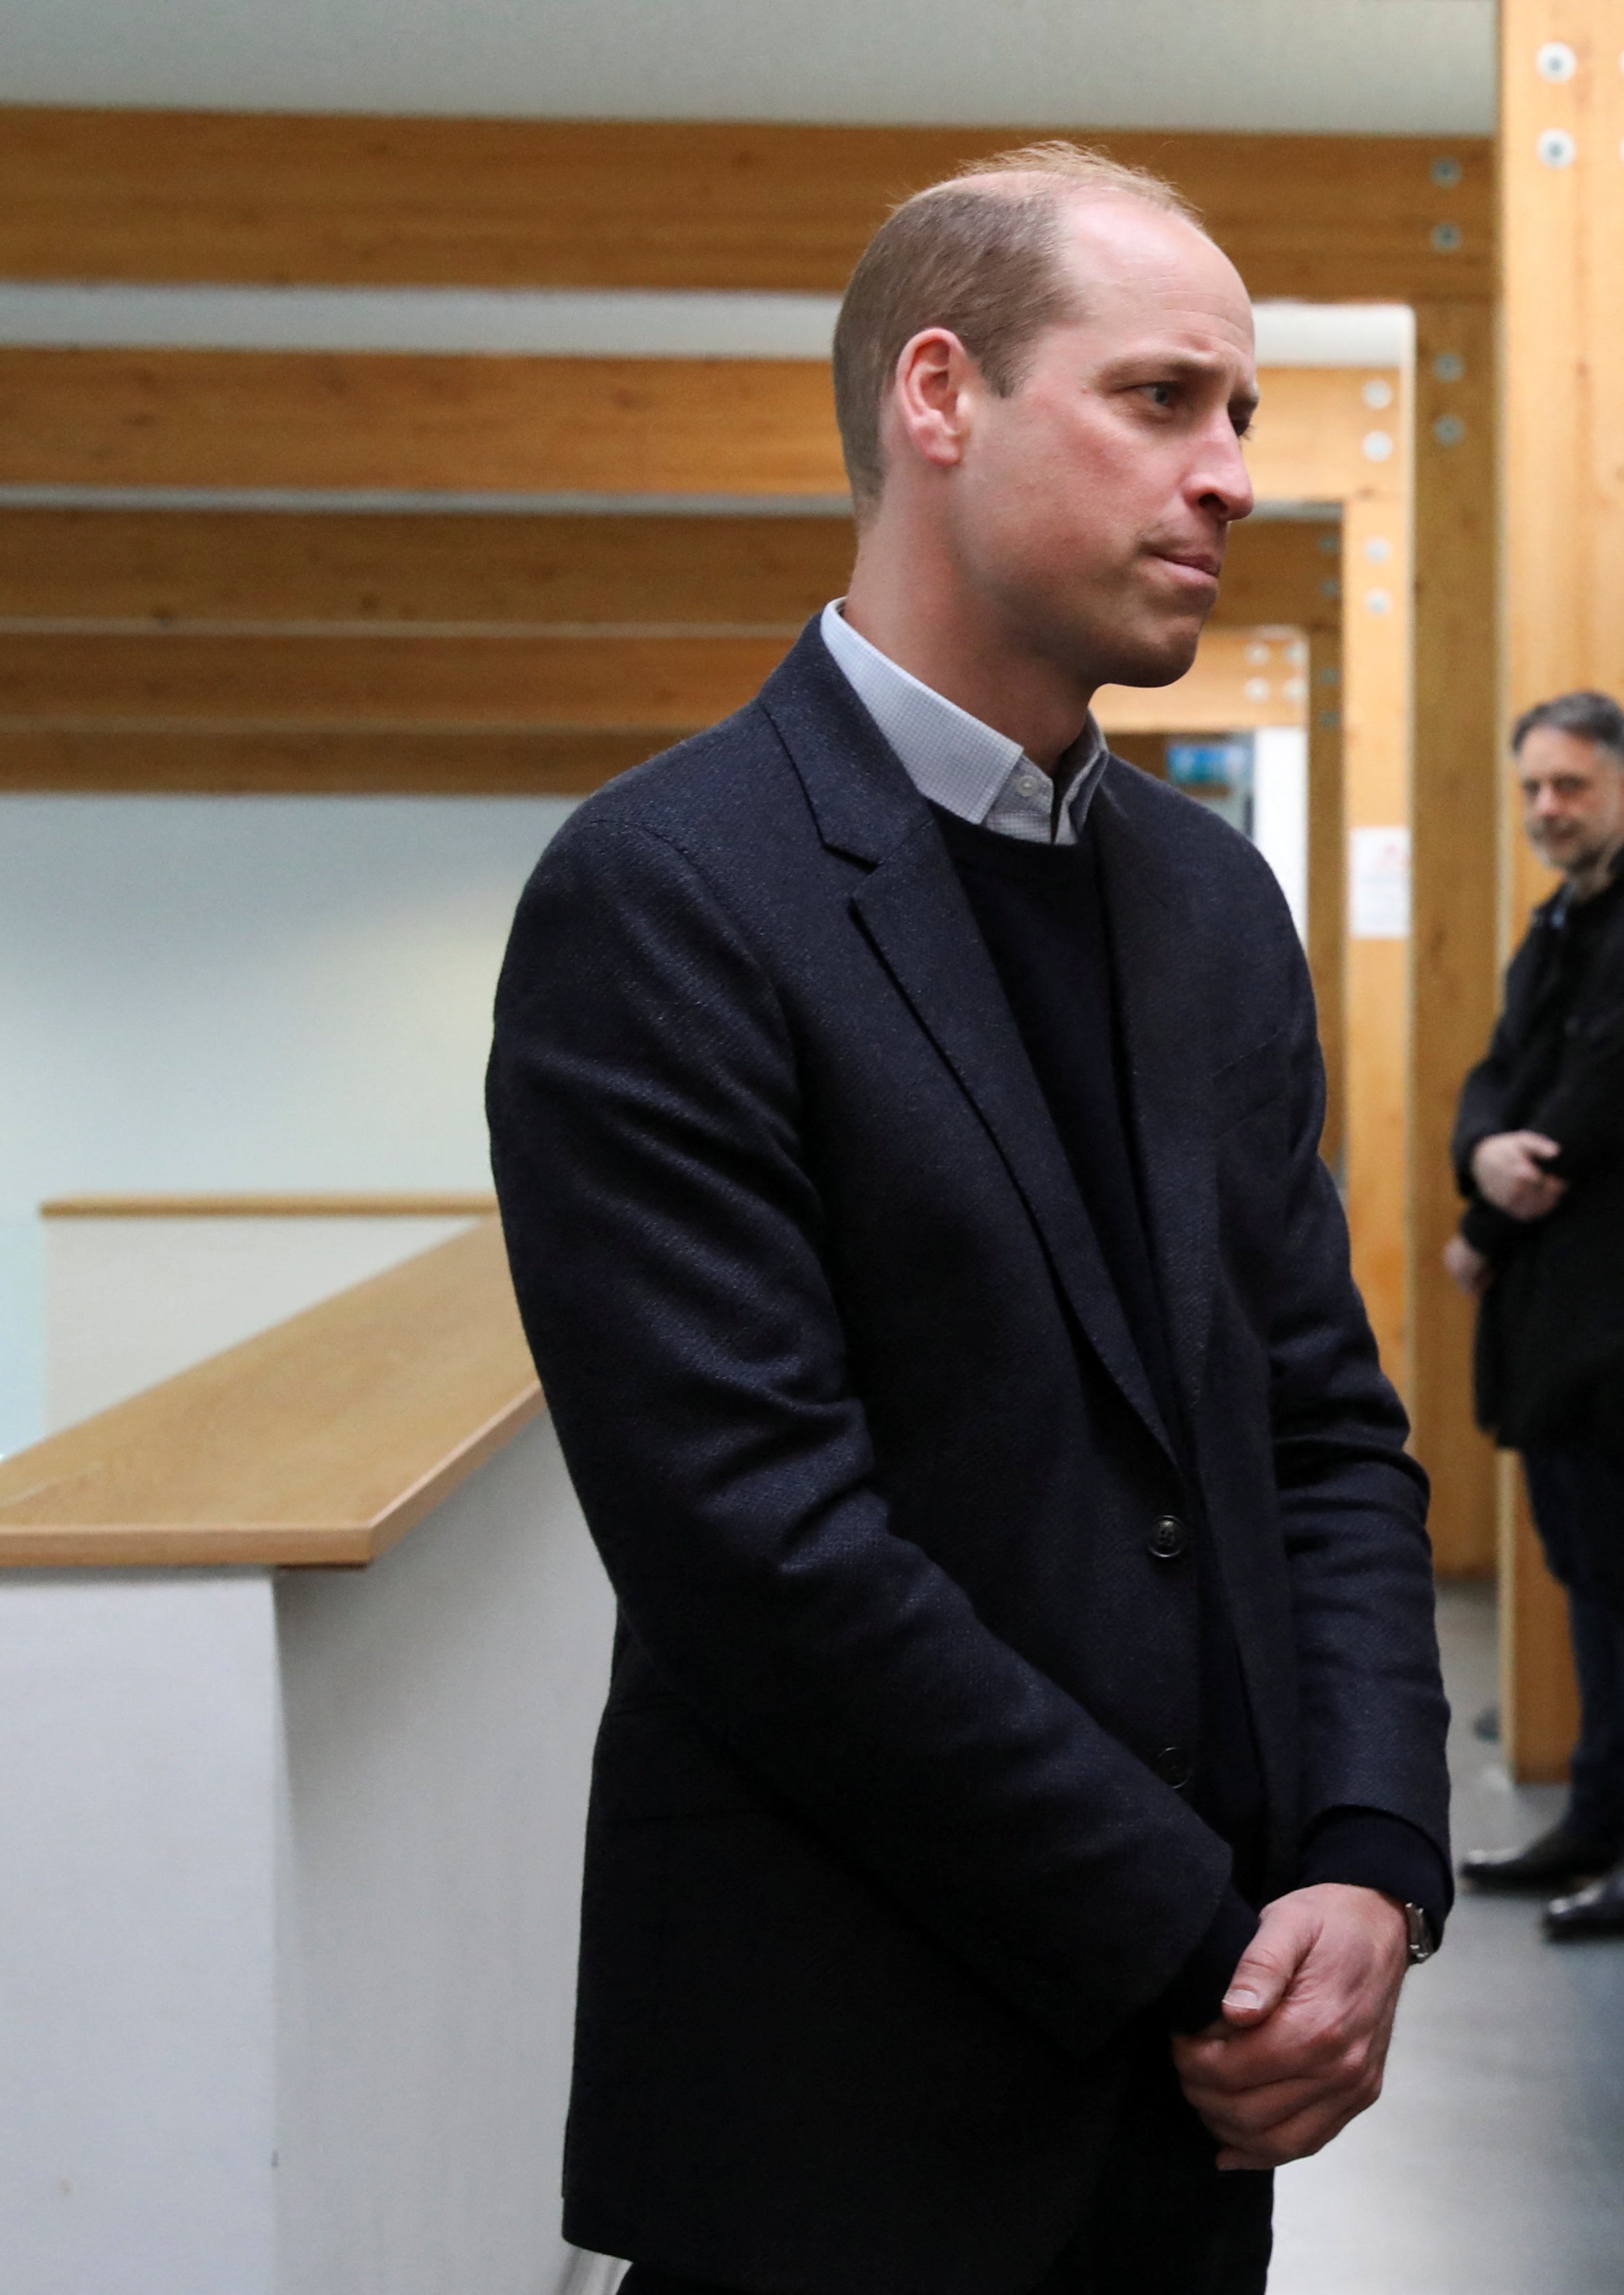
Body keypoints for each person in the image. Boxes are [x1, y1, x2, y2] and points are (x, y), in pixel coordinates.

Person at [487, 145, 1451, 2295]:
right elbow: (765, 1552)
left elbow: (1318, 1432)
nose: (1226, 477)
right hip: (844, 2114)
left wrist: (1370, 1872)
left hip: (1187, 2133)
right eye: (1164, 399)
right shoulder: (666, 896)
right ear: (940, 396)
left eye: (1245, 420)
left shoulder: (1205, 903)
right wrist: (1202, 1937)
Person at [1442, 692, 1624, 1940]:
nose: (1549, 809)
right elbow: (1499, 1078)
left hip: (1623, 1319)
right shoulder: (1556, 923)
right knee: (1583, 1569)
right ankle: (1598, 1816)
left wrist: (1484, 1217)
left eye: (1571, 788)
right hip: (1555, 1313)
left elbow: (1589, 1107)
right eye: (1535, 787)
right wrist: (1480, 1154)